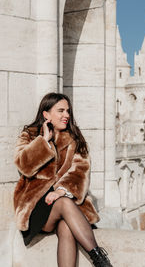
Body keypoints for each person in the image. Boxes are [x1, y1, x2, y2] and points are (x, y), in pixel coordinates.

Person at [13, 92, 113, 267]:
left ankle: (101, 261)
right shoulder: (29, 135)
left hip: (65, 201)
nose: (66, 115)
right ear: (46, 114)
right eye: (60, 111)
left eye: (68, 111)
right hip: (36, 205)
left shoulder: (75, 138)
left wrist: (61, 190)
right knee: (65, 203)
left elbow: (81, 170)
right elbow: (24, 165)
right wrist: (44, 141)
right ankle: (101, 262)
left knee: (67, 226)